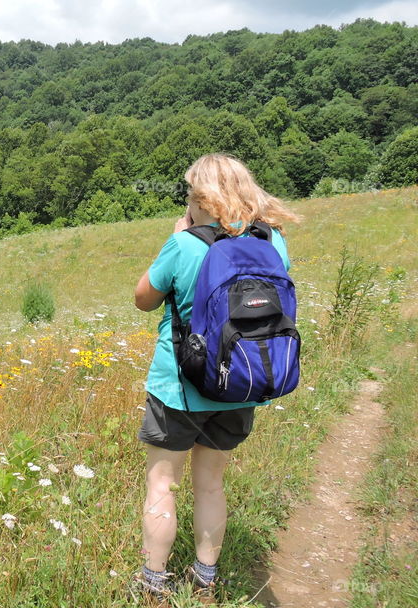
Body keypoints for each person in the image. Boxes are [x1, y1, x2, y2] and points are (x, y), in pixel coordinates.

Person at [130, 153, 300, 605]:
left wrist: (174, 240)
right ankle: (206, 579)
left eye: (190, 192)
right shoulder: (274, 242)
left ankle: (152, 582)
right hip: (240, 382)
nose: (187, 200)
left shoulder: (185, 244)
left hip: (179, 389)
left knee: (162, 485)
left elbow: (143, 299)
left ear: (202, 198)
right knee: (210, 484)